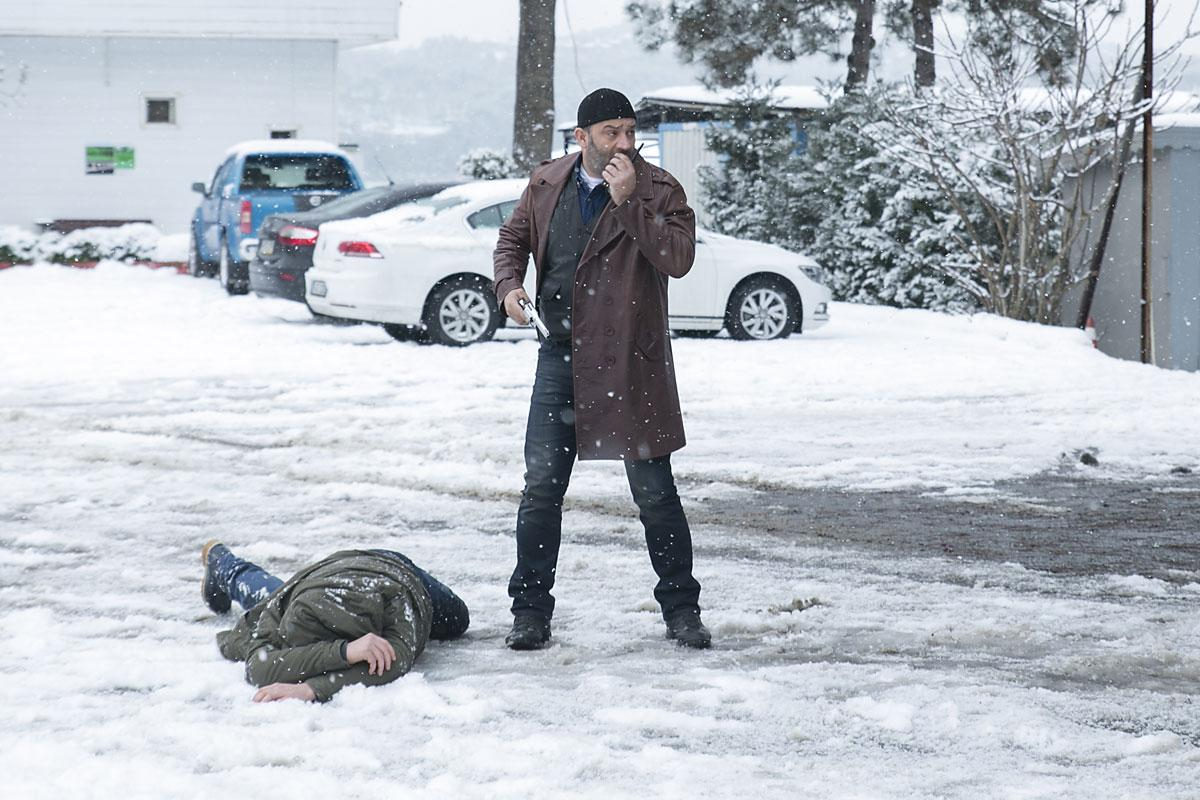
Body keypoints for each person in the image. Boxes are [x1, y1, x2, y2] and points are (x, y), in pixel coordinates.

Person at [493, 87, 710, 651]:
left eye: (630, 132)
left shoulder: (659, 188)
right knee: (541, 489)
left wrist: (629, 203)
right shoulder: (547, 182)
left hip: (630, 361)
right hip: (558, 357)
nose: (624, 143)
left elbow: (679, 259)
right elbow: (512, 239)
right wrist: (509, 286)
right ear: (581, 137)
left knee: (655, 492)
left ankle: (682, 611)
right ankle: (530, 612)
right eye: (612, 132)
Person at [200, 540, 469, 702]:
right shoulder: (285, 612)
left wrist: (312, 688)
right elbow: (258, 668)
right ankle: (223, 563)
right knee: (270, 594)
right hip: (321, 575)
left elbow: (395, 661)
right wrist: (347, 652)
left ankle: (226, 567)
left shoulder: (393, 604)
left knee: (457, 621)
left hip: (396, 570)